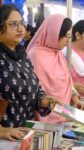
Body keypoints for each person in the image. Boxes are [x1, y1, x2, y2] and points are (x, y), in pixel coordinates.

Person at [0, 4, 59, 141]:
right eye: (13, 24)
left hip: (24, 133)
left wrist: (42, 100)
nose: (20, 29)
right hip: (5, 138)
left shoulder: (21, 54)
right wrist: (1, 130)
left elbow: (34, 85)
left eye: (22, 23)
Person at [27, 14, 84, 124]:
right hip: (45, 119)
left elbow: (68, 82)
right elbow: (37, 91)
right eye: (66, 37)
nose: (68, 41)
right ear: (54, 34)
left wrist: (75, 99)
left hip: (63, 115)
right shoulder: (35, 55)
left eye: (70, 37)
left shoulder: (58, 54)